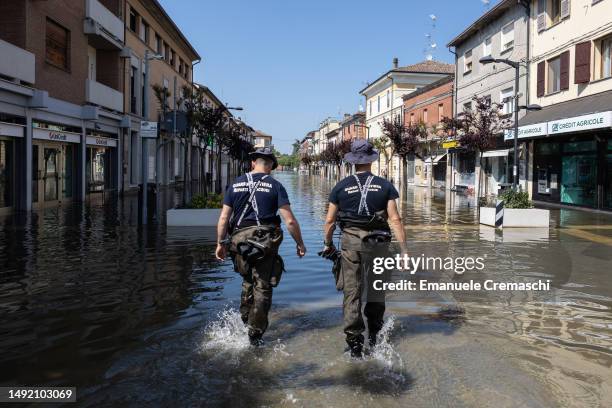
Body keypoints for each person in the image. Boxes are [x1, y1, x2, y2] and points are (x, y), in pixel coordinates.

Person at [322, 139, 407, 358]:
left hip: (352, 246)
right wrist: (405, 251)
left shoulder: (340, 186)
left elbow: (330, 220)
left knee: (353, 293)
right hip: (379, 245)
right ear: (371, 160)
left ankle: (355, 344)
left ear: (352, 161)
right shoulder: (385, 185)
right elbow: (395, 220)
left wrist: (328, 244)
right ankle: (375, 337)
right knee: (377, 291)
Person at [216, 147, 306, 345]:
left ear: (252, 163)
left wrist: (220, 244)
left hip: (239, 241)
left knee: (247, 281)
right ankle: (255, 335)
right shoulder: (275, 186)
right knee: (263, 286)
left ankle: (245, 319)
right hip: (265, 243)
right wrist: (300, 243)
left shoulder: (236, 184)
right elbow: (289, 221)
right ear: (272, 165)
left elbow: (224, 218)